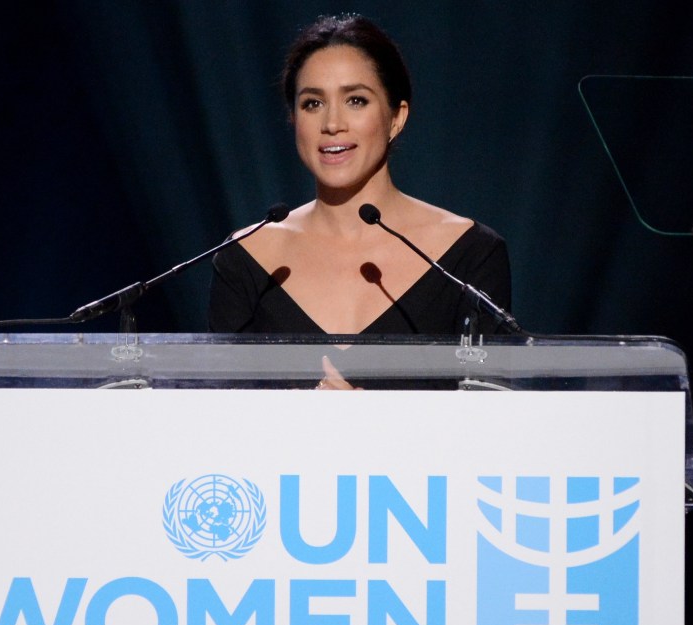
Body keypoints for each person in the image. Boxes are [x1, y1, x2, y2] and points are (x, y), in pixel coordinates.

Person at [207, 14, 512, 385]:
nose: (332, 123)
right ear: (293, 119)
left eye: (355, 100)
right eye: (312, 104)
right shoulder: (246, 257)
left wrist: (372, 423)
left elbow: (488, 422)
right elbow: (224, 418)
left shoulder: (468, 256)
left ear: (396, 117)